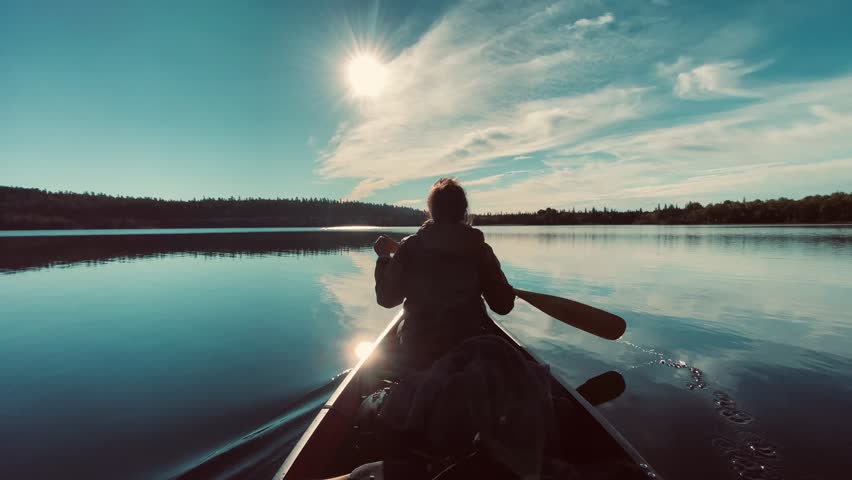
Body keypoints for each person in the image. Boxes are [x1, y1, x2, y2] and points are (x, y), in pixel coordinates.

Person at [373, 177, 515, 368]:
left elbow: (387, 299)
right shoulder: (480, 250)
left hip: (418, 352)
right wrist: (504, 288)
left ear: (431, 212)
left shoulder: (411, 248)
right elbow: (503, 305)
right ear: (464, 211)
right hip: (469, 352)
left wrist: (384, 258)